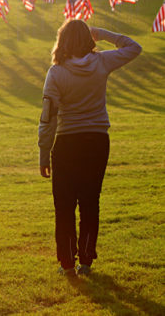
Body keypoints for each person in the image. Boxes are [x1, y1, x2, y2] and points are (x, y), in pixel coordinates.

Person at [38, 19, 142, 277]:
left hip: (67, 143)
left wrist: (43, 152)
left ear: (61, 41)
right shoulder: (101, 62)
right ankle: (86, 260)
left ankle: (66, 263)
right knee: (89, 202)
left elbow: (48, 117)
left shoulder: (57, 72)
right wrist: (103, 33)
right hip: (96, 141)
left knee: (64, 206)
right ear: (89, 39)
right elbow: (133, 47)